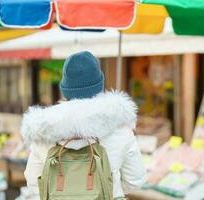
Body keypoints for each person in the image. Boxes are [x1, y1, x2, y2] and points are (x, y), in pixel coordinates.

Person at [22, 51, 147, 199]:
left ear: (64, 87)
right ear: (100, 84)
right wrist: (107, 188)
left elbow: (33, 181)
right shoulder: (119, 126)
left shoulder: (43, 128)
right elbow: (135, 180)